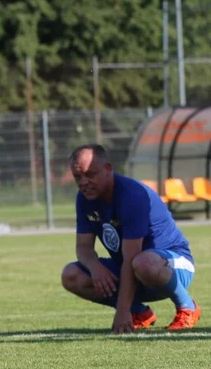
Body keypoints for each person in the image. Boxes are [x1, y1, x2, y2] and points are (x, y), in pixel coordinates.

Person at [62, 143, 200, 334]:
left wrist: (122, 310)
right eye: (78, 177)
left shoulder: (132, 195)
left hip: (172, 266)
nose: (84, 182)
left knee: (143, 262)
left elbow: (132, 257)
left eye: (90, 174)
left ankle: (187, 307)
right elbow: (84, 248)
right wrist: (95, 268)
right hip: (133, 269)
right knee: (71, 275)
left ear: (108, 169)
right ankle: (140, 313)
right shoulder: (84, 198)